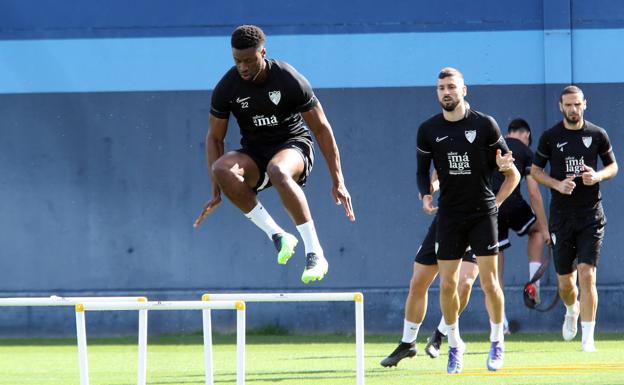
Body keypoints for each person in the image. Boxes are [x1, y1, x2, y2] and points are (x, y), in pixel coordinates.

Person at [193, 25, 355, 284]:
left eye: (248, 60)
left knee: (278, 170)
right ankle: (279, 235)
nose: (243, 67)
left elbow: (322, 129)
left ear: (263, 53)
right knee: (222, 168)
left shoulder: (288, 79)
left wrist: (339, 180)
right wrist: (216, 190)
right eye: (237, 61)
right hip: (255, 153)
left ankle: (315, 252)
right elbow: (214, 138)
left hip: (293, 145)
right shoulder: (227, 88)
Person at [416, 67, 520, 373]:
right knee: (447, 285)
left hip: (482, 214)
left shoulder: (484, 125)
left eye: (451, 86)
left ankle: (497, 340)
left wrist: (496, 202)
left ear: (464, 90)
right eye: (440, 88)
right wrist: (425, 194)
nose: (445, 92)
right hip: (449, 215)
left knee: (489, 283)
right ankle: (455, 345)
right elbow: (422, 172)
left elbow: (510, 171)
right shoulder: (428, 129)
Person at [531, 85, 618, 352]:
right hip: (561, 217)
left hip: (591, 215)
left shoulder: (597, 134)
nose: (573, 109)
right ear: (560, 107)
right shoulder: (550, 137)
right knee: (566, 283)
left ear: (584, 104)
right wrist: (557, 185)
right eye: (568, 105)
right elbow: (535, 171)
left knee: (587, 274)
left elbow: (613, 166)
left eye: (577, 104)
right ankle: (572, 309)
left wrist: (597, 176)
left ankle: (588, 338)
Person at [380, 171, 480, 367]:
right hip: (446, 220)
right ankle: (408, 343)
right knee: (418, 281)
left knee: (464, 283)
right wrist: (431, 188)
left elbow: (512, 176)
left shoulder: (488, 142)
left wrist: (497, 203)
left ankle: (441, 335)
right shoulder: (443, 141)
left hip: (479, 220)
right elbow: (439, 174)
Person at [492, 119, 550, 332]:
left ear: (508, 133)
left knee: (494, 270)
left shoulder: (494, 145)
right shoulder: (525, 151)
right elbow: (534, 192)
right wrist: (545, 228)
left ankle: (501, 324)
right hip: (512, 202)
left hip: (491, 207)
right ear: (526, 134)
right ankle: (533, 283)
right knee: (535, 231)